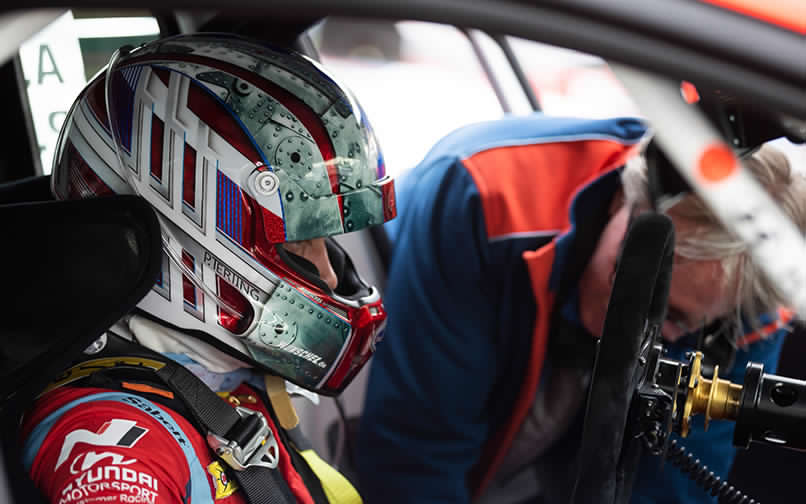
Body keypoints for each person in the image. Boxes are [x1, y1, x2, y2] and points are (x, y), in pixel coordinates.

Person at [20, 33, 395, 504]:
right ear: (190, 235)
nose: (331, 275)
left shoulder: (224, 381)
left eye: (325, 242)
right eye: (298, 244)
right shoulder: (112, 447)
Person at [355, 112, 805, 503]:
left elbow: (673, 491)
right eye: (627, 283)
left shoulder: (753, 301)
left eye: (677, 319)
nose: (637, 324)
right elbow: (416, 459)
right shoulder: (487, 195)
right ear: (621, 202)